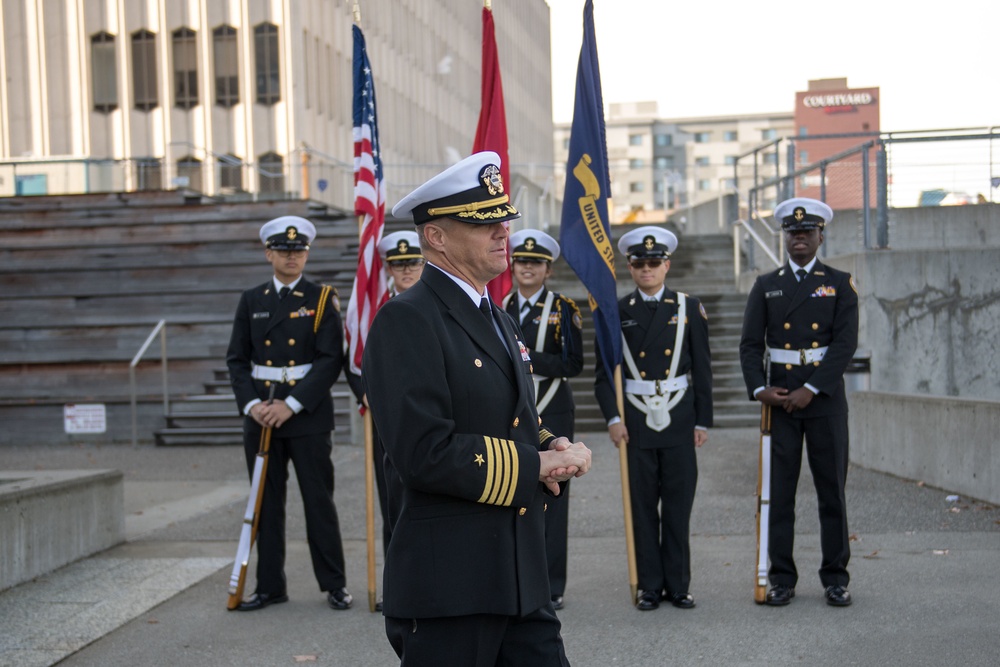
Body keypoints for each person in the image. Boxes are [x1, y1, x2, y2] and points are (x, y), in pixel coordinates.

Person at [362, 151, 592, 666]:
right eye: (482, 222)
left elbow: (505, 415)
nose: (501, 232)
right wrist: (535, 465)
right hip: (451, 587)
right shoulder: (407, 320)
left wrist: (548, 441)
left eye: (503, 220)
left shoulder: (498, 317)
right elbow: (423, 451)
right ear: (436, 237)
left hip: (519, 575)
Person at [226, 215, 352, 612]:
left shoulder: (321, 297)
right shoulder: (252, 299)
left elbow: (331, 359)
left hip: (306, 415)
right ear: (269, 254)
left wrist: (291, 405)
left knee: (319, 502)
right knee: (266, 503)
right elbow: (236, 360)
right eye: (284, 250)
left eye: (298, 251)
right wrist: (253, 406)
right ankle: (270, 586)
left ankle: (334, 584)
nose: (292, 256)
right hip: (261, 416)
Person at [738, 197, 858, 608]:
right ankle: (781, 578)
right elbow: (751, 345)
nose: (799, 238)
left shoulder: (840, 283)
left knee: (832, 492)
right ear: (785, 237)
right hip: (780, 399)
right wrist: (759, 389)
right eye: (792, 232)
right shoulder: (766, 284)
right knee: (779, 493)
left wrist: (813, 388)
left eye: (807, 232)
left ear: (821, 235)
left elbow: (844, 346)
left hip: (823, 400)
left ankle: (836, 577)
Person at [594, 226, 713, 611]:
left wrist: (702, 421)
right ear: (630, 267)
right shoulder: (616, 313)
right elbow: (603, 373)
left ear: (667, 265)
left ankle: (678, 585)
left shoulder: (688, 308)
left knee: (677, 507)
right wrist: (613, 417)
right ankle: (649, 585)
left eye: (654, 262)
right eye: (639, 263)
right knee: (642, 508)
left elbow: (704, 370)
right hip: (636, 423)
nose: (647, 269)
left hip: (678, 418)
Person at [502, 228, 584, 611]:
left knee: (555, 494)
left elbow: (573, 363)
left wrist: (527, 357)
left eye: (535, 262)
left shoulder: (563, 308)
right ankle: (520, 576)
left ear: (547, 269)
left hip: (552, 408)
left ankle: (553, 585)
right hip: (515, 411)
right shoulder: (500, 305)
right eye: (521, 261)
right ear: (513, 264)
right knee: (517, 490)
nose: (527, 268)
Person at [346, 229, 425, 611]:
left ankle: (432, 585)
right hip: (388, 422)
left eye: (413, 263)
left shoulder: (434, 306)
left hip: (429, 420)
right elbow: (357, 359)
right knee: (391, 501)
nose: (407, 270)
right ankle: (396, 589)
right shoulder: (373, 308)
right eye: (399, 264)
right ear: (387, 268)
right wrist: (365, 390)